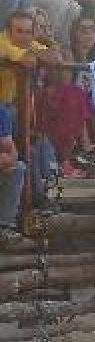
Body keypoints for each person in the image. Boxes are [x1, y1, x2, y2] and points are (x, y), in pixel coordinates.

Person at [0, 99, 26, 247]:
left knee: (18, 168)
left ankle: (3, 227)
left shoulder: (1, 112)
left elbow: (12, 152)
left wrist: (6, 158)